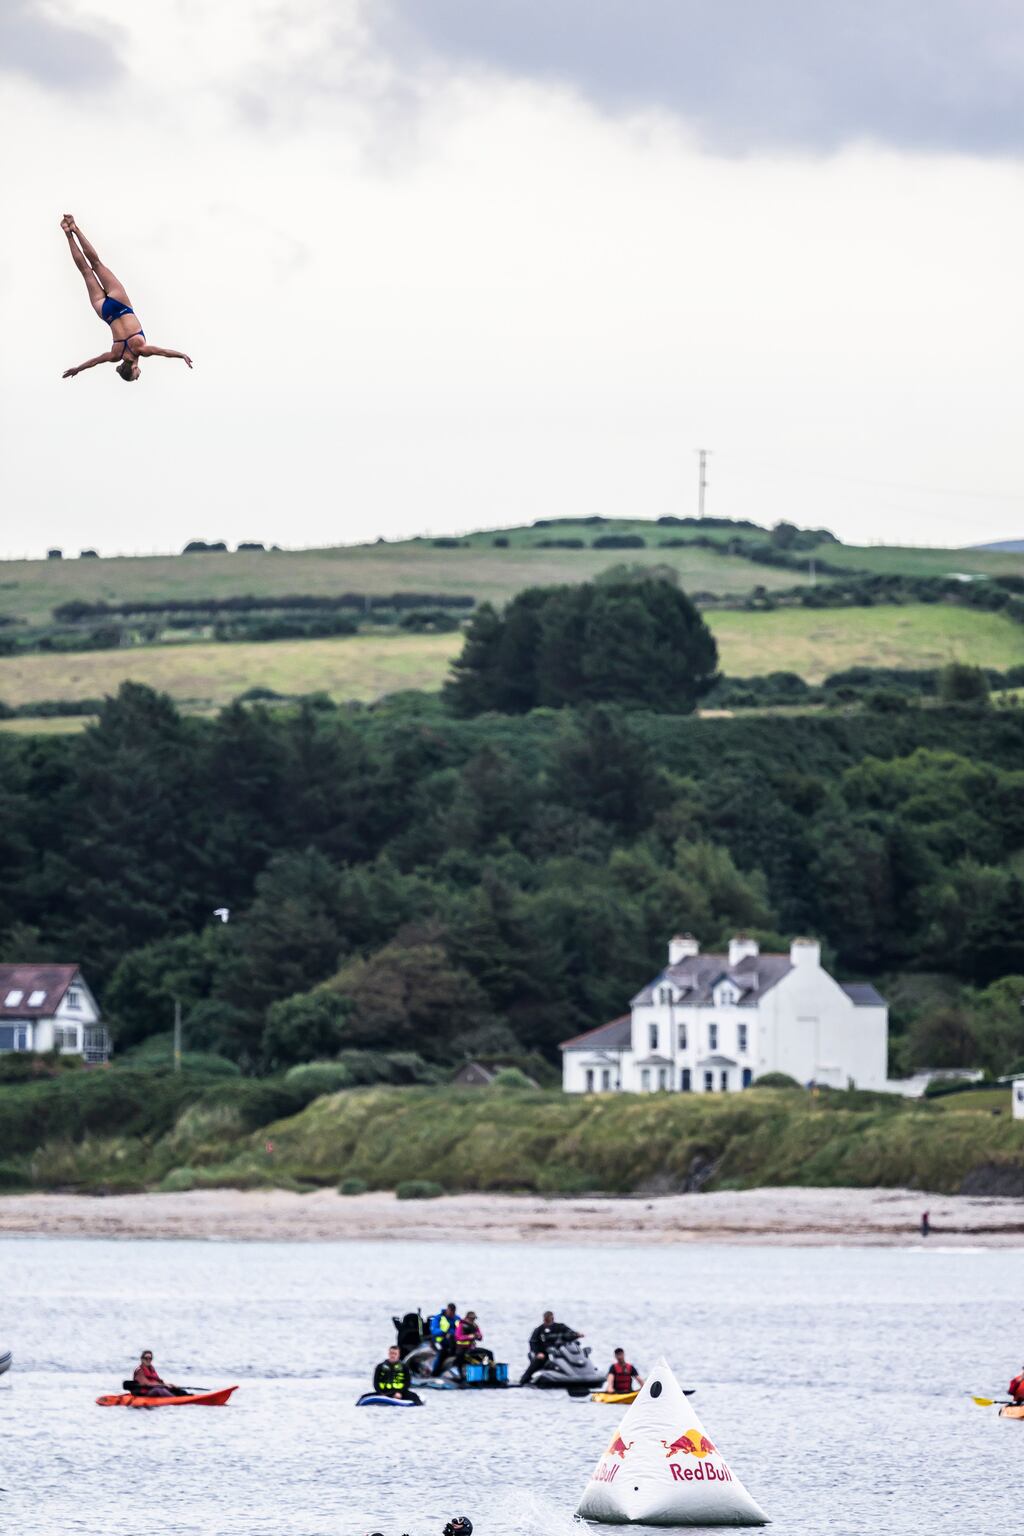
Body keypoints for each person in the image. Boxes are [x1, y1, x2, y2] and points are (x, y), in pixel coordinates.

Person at [60, 216, 193, 383]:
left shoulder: (140, 349)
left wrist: (181, 355)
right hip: (105, 311)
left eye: (135, 377)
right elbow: (95, 361)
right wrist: (78, 369)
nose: (138, 378)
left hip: (121, 304)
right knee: (86, 271)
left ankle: (75, 227)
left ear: (134, 369)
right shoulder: (116, 355)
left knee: (97, 264)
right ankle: (68, 234)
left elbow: (162, 352)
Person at [519, 1310, 583, 1385]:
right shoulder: (539, 1330)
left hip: (560, 1352)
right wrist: (538, 1353)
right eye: (546, 1319)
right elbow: (533, 1342)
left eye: (549, 1319)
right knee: (538, 1360)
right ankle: (524, 1379)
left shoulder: (560, 1327)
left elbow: (570, 1333)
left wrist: (577, 1335)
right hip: (544, 1352)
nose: (548, 1321)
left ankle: (579, 1374)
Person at [429, 1302, 460, 1376]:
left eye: (453, 1312)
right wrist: (444, 1332)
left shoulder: (457, 1318)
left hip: (453, 1342)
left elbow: (461, 1329)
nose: (451, 1313)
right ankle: (434, 1373)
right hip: (439, 1341)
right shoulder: (438, 1318)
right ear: (447, 1310)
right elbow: (434, 1331)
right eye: (450, 1311)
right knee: (442, 1353)